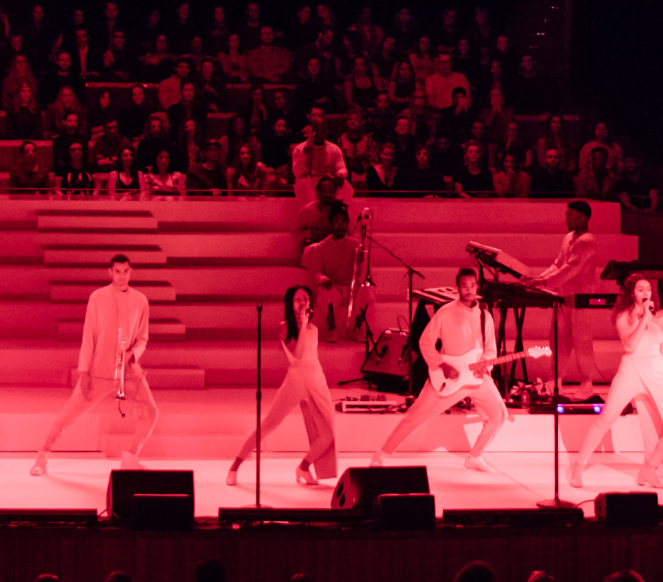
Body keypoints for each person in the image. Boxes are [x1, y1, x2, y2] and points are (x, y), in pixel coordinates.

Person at [370, 267, 535, 473]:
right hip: (448, 377)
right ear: (458, 288)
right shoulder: (446, 312)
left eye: (472, 286)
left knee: (498, 415)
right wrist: (442, 364)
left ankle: (475, 456)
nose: (469, 290)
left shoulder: (485, 316)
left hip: (476, 377)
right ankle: (382, 454)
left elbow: (491, 349)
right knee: (416, 415)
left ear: (477, 287)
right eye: (464, 286)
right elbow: (425, 342)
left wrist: (485, 364)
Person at [31, 253, 160, 474]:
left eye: (125, 271)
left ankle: (130, 457)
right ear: (110, 272)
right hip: (99, 371)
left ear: (131, 272)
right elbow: (88, 336)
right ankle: (42, 456)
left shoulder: (141, 300)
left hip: (128, 373)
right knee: (68, 415)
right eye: (117, 271)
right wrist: (85, 373)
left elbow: (143, 338)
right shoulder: (97, 297)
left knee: (151, 412)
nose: (121, 276)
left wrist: (133, 354)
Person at [567, 271, 663, 488]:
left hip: (656, 372)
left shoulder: (660, 318)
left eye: (648, 289)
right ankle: (577, 466)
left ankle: (649, 469)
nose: (646, 293)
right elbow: (630, 345)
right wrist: (644, 319)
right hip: (631, 371)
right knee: (605, 420)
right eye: (641, 289)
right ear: (631, 294)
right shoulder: (624, 316)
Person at [227, 285, 340, 486]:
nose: (303, 303)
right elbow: (296, 354)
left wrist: (306, 326)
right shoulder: (285, 326)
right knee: (269, 424)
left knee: (328, 434)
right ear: (291, 303)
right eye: (298, 300)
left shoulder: (313, 328)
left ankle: (303, 468)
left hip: (315, 379)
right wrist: (303, 325)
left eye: (305, 299)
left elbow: (312, 357)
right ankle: (235, 465)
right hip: (296, 380)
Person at [502, 199, 601, 387]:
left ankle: (586, 383)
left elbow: (571, 268)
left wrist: (543, 281)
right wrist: (539, 279)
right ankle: (554, 380)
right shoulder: (569, 237)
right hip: (562, 296)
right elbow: (558, 264)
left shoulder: (587, 241)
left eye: (570, 215)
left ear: (583, 218)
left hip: (580, 299)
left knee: (581, 341)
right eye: (567, 215)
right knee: (558, 339)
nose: (567, 219)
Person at [297, 202, 373, 342]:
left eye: (343, 221)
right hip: (333, 286)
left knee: (368, 294)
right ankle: (332, 330)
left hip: (350, 286)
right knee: (325, 294)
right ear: (331, 224)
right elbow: (317, 272)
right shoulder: (321, 247)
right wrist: (324, 279)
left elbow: (360, 272)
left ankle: (357, 329)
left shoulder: (354, 244)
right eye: (336, 221)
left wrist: (360, 262)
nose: (340, 225)